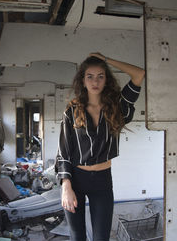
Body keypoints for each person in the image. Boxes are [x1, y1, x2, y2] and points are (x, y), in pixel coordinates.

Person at [55, 52, 145, 241]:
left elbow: (139, 74)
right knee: (77, 237)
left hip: (102, 181)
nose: (95, 81)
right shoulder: (71, 111)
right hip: (75, 179)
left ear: (106, 80)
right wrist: (66, 186)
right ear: (83, 80)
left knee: (101, 238)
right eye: (90, 76)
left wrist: (107, 60)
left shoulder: (117, 107)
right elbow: (63, 152)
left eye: (100, 76)